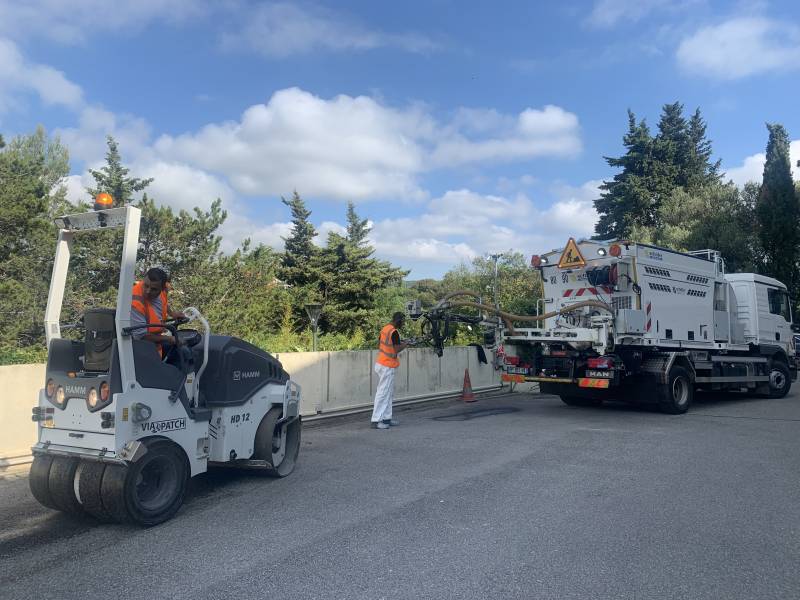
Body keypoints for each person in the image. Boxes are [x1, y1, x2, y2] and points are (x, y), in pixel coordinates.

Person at [131, 268, 184, 357]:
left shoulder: (162, 292)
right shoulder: (135, 303)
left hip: (156, 345)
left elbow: (164, 304)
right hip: (142, 350)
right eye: (146, 286)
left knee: (183, 351)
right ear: (143, 280)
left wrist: (172, 314)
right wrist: (170, 339)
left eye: (154, 289)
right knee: (182, 353)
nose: (148, 291)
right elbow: (141, 337)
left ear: (162, 288)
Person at [371, 312, 410, 429]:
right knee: (383, 393)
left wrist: (400, 343)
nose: (403, 324)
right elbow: (396, 348)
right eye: (402, 321)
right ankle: (376, 420)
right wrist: (406, 344)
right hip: (387, 365)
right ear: (399, 321)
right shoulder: (394, 332)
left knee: (388, 393)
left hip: (382, 363)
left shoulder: (385, 329)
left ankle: (386, 418)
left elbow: (381, 343)